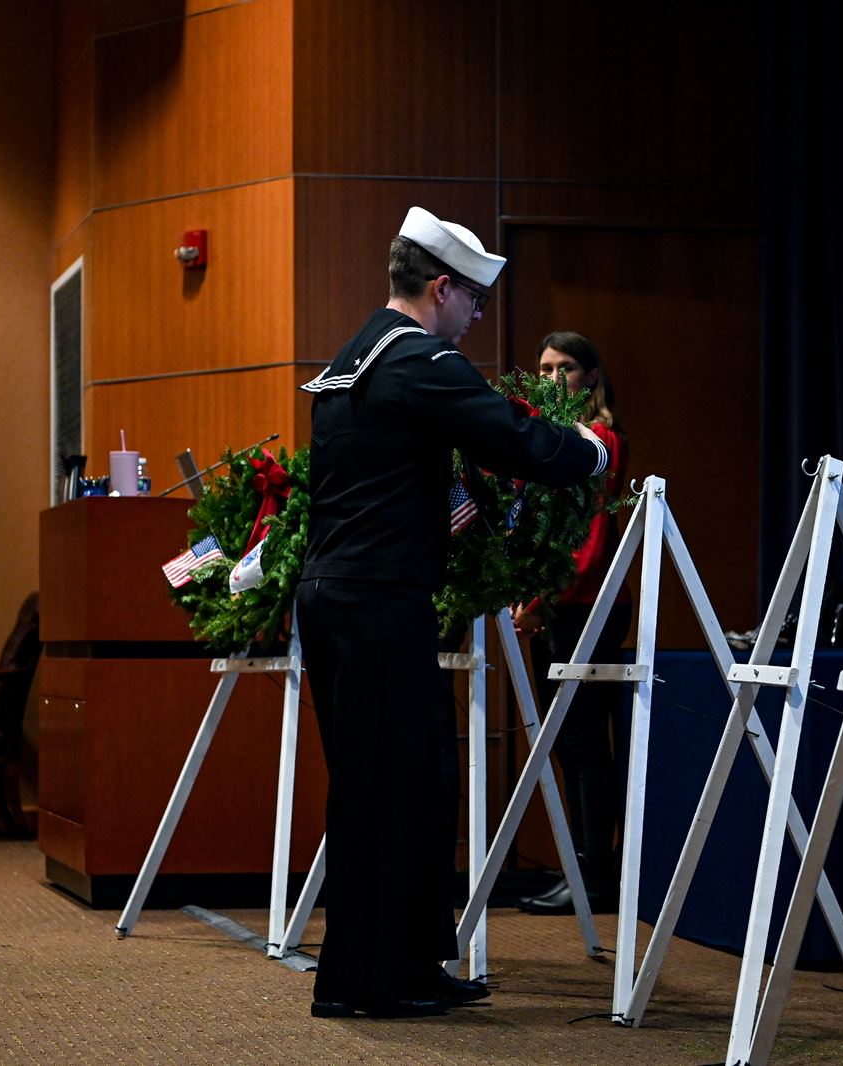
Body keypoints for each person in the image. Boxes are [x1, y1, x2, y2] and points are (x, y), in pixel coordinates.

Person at [296, 207, 608, 1019]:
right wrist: (592, 450)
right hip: (378, 604)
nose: (477, 317)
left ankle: (402, 963)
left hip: (341, 600)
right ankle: (369, 982)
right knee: (391, 787)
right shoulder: (422, 361)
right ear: (440, 289)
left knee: (403, 782)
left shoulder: (358, 353)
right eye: (473, 299)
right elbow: (512, 437)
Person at [513, 331, 631, 915]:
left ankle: (593, 877)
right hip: (558, 603)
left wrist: (544, 601)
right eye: (543, 366)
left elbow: (585, 540)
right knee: (566, 740)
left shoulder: (597, 439)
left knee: (583, 742)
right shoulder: (547, 441)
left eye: (564, 367)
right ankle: (584, 871)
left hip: (585, 603)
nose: (552, 376)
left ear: (589, 377)